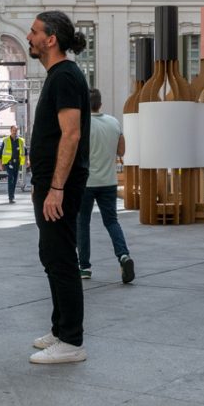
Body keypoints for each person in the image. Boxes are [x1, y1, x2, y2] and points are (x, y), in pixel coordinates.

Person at [25, 10, 91, 365]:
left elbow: (72, 134)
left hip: (59, 186)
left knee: (61, 257)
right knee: (51, 254)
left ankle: (71, 340)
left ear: (50, 40)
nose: (29, 37)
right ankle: (59, 327)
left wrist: (56, 189)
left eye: (34, 32)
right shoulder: (58, 76)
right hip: (50, 184)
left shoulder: (65, 76)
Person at [77, 88, 135, 284]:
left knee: (82, 223)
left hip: (86, 182)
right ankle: (123, 255)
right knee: (111, 222)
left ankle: (84, 267)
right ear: (100, 104)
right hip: (109, 181)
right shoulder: (114, 122)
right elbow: (121, 151)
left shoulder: (82, 124)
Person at [0, 125, 26, 203]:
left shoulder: (21, 141)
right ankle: (11, 197)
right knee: (11, 178)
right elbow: (0, 154)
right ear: (10, 130)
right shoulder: (6, 140)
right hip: (8, 163)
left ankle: (12, 195)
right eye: (13, 130)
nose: (15, 132)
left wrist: (27, 160)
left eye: (16, 130)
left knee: (15, 180)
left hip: (17, 163)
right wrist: (0, 164)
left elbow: (25, 152)